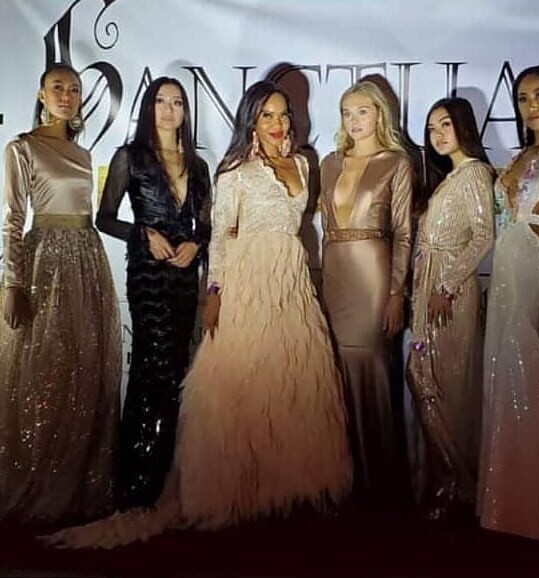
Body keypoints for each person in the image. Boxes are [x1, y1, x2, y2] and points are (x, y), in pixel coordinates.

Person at [43, 80, 351, 548]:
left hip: (287, 282)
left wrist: (194, 247)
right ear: (251, 120)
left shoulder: (299, 165)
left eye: (283, 114)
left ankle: (285, 487)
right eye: (266, 115)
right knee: (207, 381)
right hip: (219, 281)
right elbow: (221, 237)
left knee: (291, 379)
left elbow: (206, 230)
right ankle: (164, 487)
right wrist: (215, 291)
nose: (277, 123)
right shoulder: (227, 171)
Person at [0, 62, 121, 526]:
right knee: (43, 372)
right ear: (41, 94)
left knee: (82, 371)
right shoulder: (22, 148)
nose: (67, 96)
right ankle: (33, 480)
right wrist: (13, 283)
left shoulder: (83, 154)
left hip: (87, 260)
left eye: (73, 89)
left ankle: (74, 485)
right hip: (45, 264)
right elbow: (12, 219)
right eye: (57, 87)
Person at [95, 77, 211, 510]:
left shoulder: (198, 165)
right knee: (150, 368)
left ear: (185, 111)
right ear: (148, 108)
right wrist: (142, 233)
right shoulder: (130, 157)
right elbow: (104, 218)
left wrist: (197, 244)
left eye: (177, 102)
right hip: (147, 274)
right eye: (161, 101)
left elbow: (207, 225)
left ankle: (167, 478)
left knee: (178, 365)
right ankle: (136, 482)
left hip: (184, 275)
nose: (168, 109)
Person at [477, 64, 539, 540]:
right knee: (502, 385)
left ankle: (533, 512)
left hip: (538, 273)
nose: (531, 105)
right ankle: (501, 508)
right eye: (522, 98)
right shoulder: (518, 157)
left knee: (530, 388)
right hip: (503, 277)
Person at [320, 81, 412, 498]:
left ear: (380, 114)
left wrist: (396, 293)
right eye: (347, 112)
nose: (353, 121)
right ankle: (344, 477)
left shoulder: (396, 162)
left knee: (373, 367)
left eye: (362, 111)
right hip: (334, 274)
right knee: (335, 371)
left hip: (374, 277)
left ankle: (382, 483)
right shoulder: (329, 163)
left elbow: (404, 234)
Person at [407, 97, 494, 520]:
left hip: (450, 295)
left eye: (445, 124)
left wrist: (447, 284)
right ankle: (446, 479)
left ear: (464, 126)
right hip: (428, 289)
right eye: (431, 128)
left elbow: (484, 235)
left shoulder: (475, 173)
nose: (438, 134)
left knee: (448, 386)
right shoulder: (448, 178)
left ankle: (460, 484)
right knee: (423, 375)